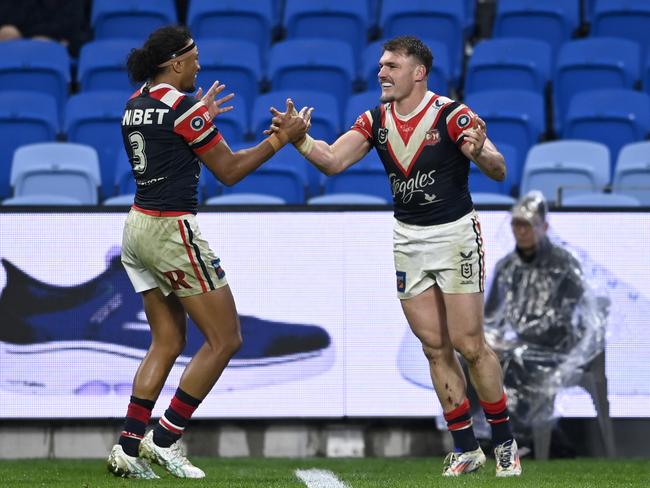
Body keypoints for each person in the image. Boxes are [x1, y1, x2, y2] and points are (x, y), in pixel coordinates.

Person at [268, 35, 521, 477]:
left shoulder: (451, 114)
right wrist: (300, 140)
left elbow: (499, 169)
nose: (381, 72)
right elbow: (331, 162)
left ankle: (504, 443)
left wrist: (481, 152)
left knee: (469, 344)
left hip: (455, 236)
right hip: (408, 239)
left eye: (391, 65)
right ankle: (466, 448)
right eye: (381, 65)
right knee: (433, 347)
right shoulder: (375, 120)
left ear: (418, 72)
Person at [107, 25, 309, 479]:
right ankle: (165, 437)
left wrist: (196, 116)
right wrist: (281, 138)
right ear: (176, 63)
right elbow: (231, 170)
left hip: (137, 226)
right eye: (194, 57)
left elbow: (167, 145)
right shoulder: (181, 109)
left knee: (167, 340)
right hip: (171, 229)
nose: (200, 64)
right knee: (226, 339)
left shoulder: (136, 101)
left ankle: (128, 446)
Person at [482, 191, 607, 448]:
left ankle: (520, 438)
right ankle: (483, 435)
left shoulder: (564, 264)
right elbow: (490, 318)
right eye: (516, 224)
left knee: (514, 361)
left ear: (544, 226)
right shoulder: (507, 267)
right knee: (473, 360)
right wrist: (491, 341)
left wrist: (515, 343)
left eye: (527, 224)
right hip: (515, 346)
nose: (521, 231)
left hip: (558, 348)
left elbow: (569, 319)